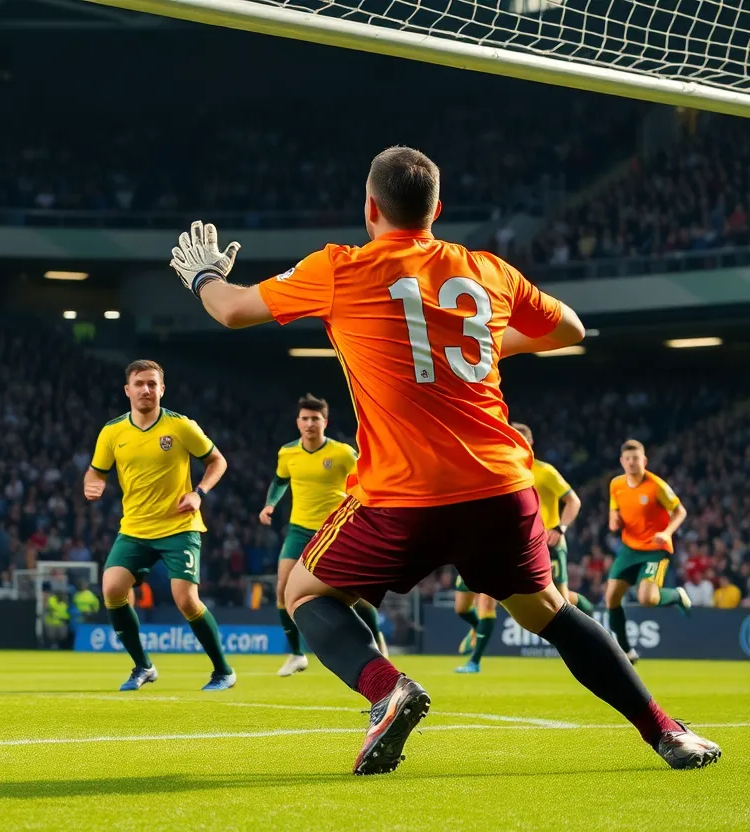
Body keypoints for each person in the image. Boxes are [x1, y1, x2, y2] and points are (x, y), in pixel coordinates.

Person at [167, 146, 720, 774]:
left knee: (301, 592)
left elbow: (233, 310)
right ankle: (667, 731)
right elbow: (568, 328)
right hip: (500, 488)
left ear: (370, 206)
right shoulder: (485, 269)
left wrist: (204, 275)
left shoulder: (342, 267)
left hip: (405, 494)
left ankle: (386, 688)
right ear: (438, 209)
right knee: (553, 613)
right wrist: (480, 349)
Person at [84, 359, 235, 692]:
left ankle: (223, 671)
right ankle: (143, 666)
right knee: (112, 589)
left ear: (162, 389)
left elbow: (217, 460)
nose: (146, 390)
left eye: (153, 384)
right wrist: (91, 482)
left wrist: (199, 493)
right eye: (139, 383)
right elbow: (96, 470)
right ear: (128, 390)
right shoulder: (112, 432)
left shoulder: (180, 427)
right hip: (135, 528)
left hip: (179, 527)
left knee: (185, 599)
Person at [259, 394, 385, 676]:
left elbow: (366, 480)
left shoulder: (342, 453)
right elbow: (279, 481)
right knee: (282, 589)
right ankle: (295, 653)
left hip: (335, 529)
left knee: (358, 595)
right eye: (305, 418)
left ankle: (376, 641)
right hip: (298, 528)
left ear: (324, 422)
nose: (309, 423)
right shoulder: (287, 453)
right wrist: (270, 504)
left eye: (315, 418)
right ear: (298, 422)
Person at [607, 440, 691, 663]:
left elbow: (680, 511)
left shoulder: (656, 486)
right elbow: (614, 512)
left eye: (636, 458)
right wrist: (614, 521)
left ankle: (677, 595)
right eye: (628, 459)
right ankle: (627, 651)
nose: (632, 463)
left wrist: (667, 532)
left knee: (647, 598)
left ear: (644, 461)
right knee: (611, 598)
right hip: (629, 547)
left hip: (655, 548)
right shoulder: (616, 484)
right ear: (622, 462)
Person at [513, 422, 592, 616]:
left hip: (550, 542)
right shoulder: (508, 474)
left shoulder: (545, 471)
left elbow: (573, 501)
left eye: (522, 440)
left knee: (560, 601)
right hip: (523, 545)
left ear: (531, 442)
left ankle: (585, 614)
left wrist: (560, 528)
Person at [452, 578, 497, 674]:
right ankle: (478, 628)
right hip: (469, 566)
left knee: (487, 605)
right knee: (461, 609)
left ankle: (474, 662)